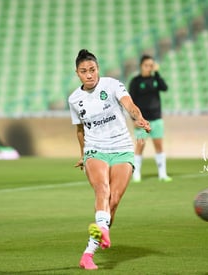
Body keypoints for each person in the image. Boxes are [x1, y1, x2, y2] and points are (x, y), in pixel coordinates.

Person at [68, 49, 151, 270]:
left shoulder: (113, 85)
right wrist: (83, 153)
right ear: (77, 73)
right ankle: (101, 233)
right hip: (95, 149)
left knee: (113, 201)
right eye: (84, 71)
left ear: (98, 69)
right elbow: (80, 130)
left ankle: (88, 253)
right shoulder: (74, 99)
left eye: (92, 70)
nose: (89, 75)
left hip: (122, 147)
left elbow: (129, 105)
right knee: (102, 190)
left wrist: (139, 118)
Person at [128, 54, 172, 183]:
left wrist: (157, 73)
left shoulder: (155, 79)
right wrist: (134, 119)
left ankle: (162, 174)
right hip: (141, 120)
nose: (149, 68)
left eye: (151, 65)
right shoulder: (135, 81)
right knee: (140, 145)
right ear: (141, 66)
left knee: (159, 146)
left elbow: (165, 88)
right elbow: (130, 102)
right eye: (146, 65)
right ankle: (136, 174)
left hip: (156, 118)